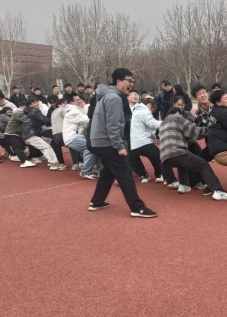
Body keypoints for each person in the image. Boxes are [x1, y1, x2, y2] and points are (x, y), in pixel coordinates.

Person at [88, 68, 157, 217]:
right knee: (125, 172)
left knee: (107, 171)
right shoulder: (114, 98)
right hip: (106, 142)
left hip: (99, 141)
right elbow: (113, 125)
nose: (131, 84)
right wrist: (119, 146)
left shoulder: (106, 95)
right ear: (118, 81)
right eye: (128, 81)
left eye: (132, 81)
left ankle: (97, 201)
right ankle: (137, 208)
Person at [159, 107, 227, 201]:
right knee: (202, 164)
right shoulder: (178, 119)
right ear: (177, 113)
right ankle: (217, 190)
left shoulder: (162, 124)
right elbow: (194, 131)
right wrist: (210, 130)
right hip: (177, 151)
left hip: (164, 156)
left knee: (181, 163)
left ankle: (184, 185)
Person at [130, 97, 164, 183]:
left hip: (134, 143)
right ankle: (160, 174)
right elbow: (152, 124)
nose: (151, 112)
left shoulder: (136, 111)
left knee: (134, 159)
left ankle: (143, 174)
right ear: (149, 105)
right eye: (152, 110)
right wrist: (165, 122)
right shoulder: (144, 111)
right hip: (144, 141)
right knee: (157, 155)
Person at [22, 97, 62, 171]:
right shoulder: (34, 111)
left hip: (27, 136)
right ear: (30, 104)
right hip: (31, 135)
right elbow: (45, 120)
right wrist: (57, 117)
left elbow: (44, 122)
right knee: (46, 147)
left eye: (37, 102)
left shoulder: (29, 112)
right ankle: (54, 164)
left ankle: (50, 161)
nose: (37, 104)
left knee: (49, 142)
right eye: (34, 102)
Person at [63, 95, 98, 179]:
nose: (79, 101)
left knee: (93, 148)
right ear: (71, 102)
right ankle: (86, 171)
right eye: (77, 100)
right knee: (90, 149)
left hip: (73, 136)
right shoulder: (73, 111)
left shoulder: (73, 110)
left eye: (80, 99)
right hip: (72, 137)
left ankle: (92, 168)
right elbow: (86, 119)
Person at [4, 100, 36, 167]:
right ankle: (24, 161)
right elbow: (27, 120)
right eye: (26, 107)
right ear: (21, 106)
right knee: (18, 147)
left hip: (14, 133)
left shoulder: (18, 112)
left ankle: (29, 158)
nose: (27, 108)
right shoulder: (19, 112)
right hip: (12, 133)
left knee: (24, 147)